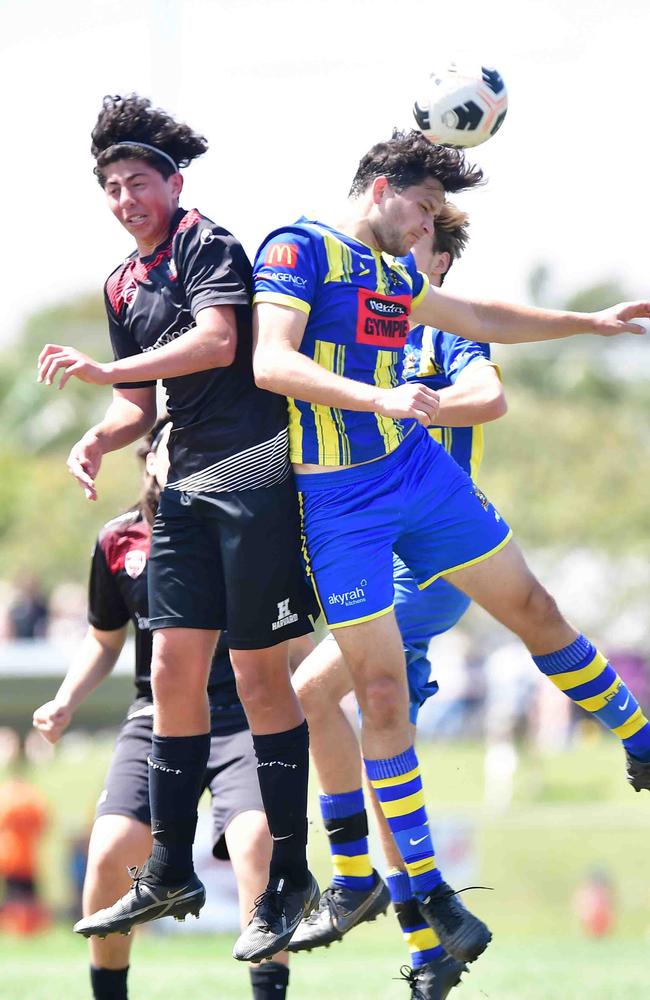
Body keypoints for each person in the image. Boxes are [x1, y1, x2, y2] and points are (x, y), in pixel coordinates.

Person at [251, 130, 650, 969]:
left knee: (536, 610)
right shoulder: (298, 248)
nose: (432, 223)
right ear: (384, 188)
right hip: (340, 504)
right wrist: (380, 395)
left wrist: (589, 322)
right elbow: (270, 362)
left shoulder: (398, 277)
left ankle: (640, 739)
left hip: (420, 478)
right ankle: (419, 898)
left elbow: (476, 318)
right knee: (379, 695)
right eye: (426, 206)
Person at [37, 94, 318, 960]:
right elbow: (139, 401)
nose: (126, 199)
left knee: (261, 681)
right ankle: (169, 864)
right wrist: (99, 432)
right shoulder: (124, 281)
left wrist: (107, 368)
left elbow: (217, 340)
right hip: (185, 485)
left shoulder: (207, 243)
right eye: (112, 188)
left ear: (174, 182)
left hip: (252, 478)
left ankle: (295, 877)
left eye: (138, 182)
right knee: (167, 667)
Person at [288, 203, 506, 1000]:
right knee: (389, 755)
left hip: (430, 566)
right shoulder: (364, 335)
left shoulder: (442, 336)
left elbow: (486, 393)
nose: (394, 258)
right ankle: (431, 943)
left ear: (437, 266)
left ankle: (375, 888)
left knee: (313, 690)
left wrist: (414, 405)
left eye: (417, 246)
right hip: (386, 560)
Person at [33, 421, 297, 1000]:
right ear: (148, 459)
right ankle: (109, 991)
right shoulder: (118, 540)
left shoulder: (245, 529)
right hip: (155, 721)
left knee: (258, 844)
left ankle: (269, 992)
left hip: (240, 721)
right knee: (109, 853)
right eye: (169, 446)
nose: (181, 457)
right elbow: (104, 640)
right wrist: (64, 702)